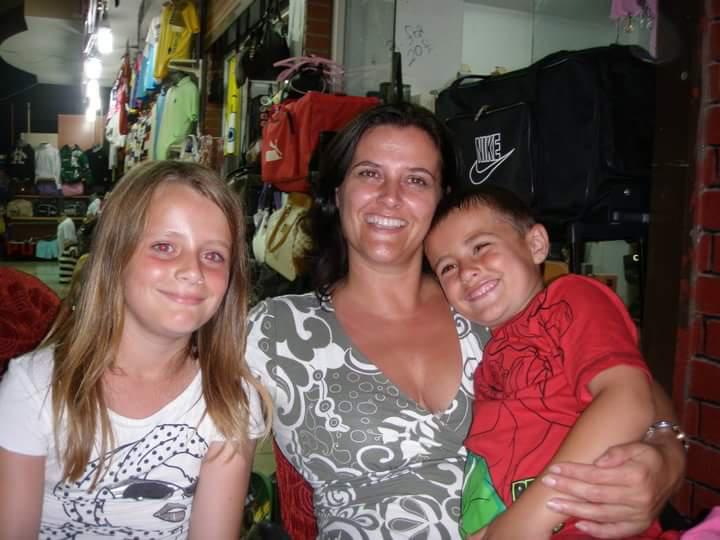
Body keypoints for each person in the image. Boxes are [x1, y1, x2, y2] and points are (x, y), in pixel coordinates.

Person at [245, 102, 686, 539]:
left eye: (416, 179)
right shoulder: (277, 331)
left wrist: (666, 457)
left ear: (440, 200)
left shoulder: (486, 300)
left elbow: (634, 388)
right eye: (369, 173)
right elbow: (200, 460)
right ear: (338, 192)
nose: (390, 196)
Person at [0, 161, 271, 539]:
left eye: (213, 255)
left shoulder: (229, 400)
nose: (192, 270)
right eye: (164, 247)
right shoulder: (33, 389)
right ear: (115, 258)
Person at [424, 186, 683, 540]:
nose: (467, 271)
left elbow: (628, 399)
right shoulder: (488, 349)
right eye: (448, 267)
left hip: (582, 522)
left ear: (536, 245)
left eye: (481, 247)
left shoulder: (570, 299)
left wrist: (524, 521)